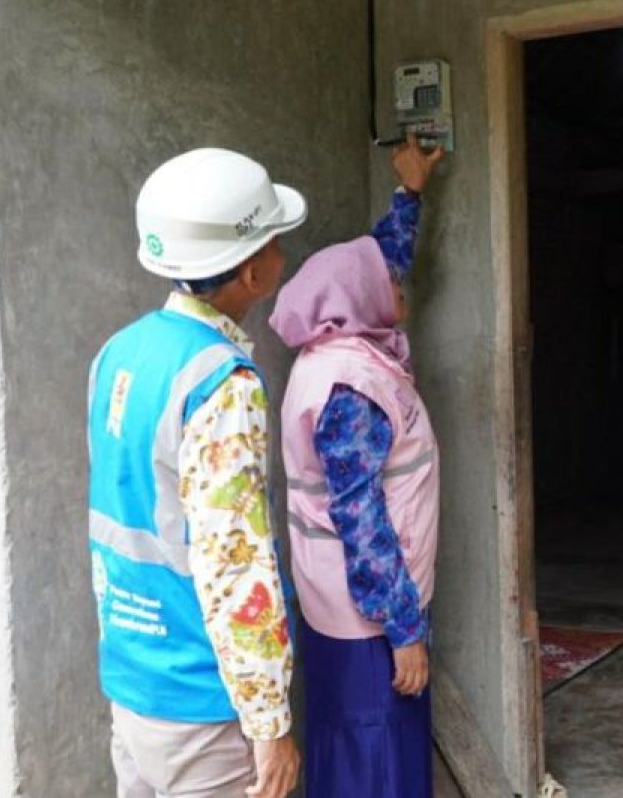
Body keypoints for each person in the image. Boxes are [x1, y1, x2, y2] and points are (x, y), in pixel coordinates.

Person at [88, 149, 305, 797]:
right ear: (253, 272)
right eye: (275, 243)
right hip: (201, 702)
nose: (282, 256)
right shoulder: (222, 381)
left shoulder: (118, 353)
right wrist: (269, 723)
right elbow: (235, 565)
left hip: (132, 679)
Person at [268, 136, 444, 797]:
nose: (398, 284)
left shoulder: (340, 341)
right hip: (366, 613)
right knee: (375, 760)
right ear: (364, 298)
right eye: (389, 284)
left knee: (353, 742)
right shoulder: (351, 388)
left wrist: (411, 191)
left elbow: (379, 259)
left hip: (341, 600)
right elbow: (362, 523)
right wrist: (404, 631)